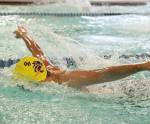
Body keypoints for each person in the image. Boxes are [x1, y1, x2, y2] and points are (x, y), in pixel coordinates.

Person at [14, 26, 150, 89]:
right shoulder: (45, 66)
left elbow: (103, 74)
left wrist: (142, 66)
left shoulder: (66, 79)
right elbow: (37, 52)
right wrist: (24, 35)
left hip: (123, 94)